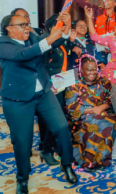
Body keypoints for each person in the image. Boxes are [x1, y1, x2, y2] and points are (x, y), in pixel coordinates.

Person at [0, 13, 77, 193]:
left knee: (62, 128)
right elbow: (23, 54)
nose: (27, 27)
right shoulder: (1, 43)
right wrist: (50, 38)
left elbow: (53, 43)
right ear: (9, 28)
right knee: (22, 141)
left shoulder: (32, 36)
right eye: (22, 24)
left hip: (43, 93)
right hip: (17, 99)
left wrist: (66, 27)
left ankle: (67, 164)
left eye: (28, 24)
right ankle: (22, 178)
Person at [65, 55, 116, 172]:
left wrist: (103, 106)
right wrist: (91, 110)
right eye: (88, 70)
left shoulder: (103, 81)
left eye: (94, 69)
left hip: (104, 113)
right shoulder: (74, 83)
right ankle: (89, 162)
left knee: (109, 121)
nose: (92, 73)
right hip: (81, 116)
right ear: (81, 70)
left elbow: (113, 99)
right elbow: (71, 106)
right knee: (94, 121)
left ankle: (103, 159)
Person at [39, 14, 77, 166]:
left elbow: (66, 58)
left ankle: (51, 146)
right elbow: (40, 64)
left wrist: (72, 43)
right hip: (49, 85)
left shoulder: (61, 40)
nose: (63, 28)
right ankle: (46, 149)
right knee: (53, 117)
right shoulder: (44, 41)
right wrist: (48, 83)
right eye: (61, 26)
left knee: (59, 117)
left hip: (61, 83)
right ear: (51, 27)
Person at [58, 0, 116, 65]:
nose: (106, 1)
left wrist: (112, 47)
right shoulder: (96, 10)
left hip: (113, 50)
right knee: (96, 70)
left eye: (109, 0)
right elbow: (79, 1)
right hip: (97, 48)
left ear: (115, 3)